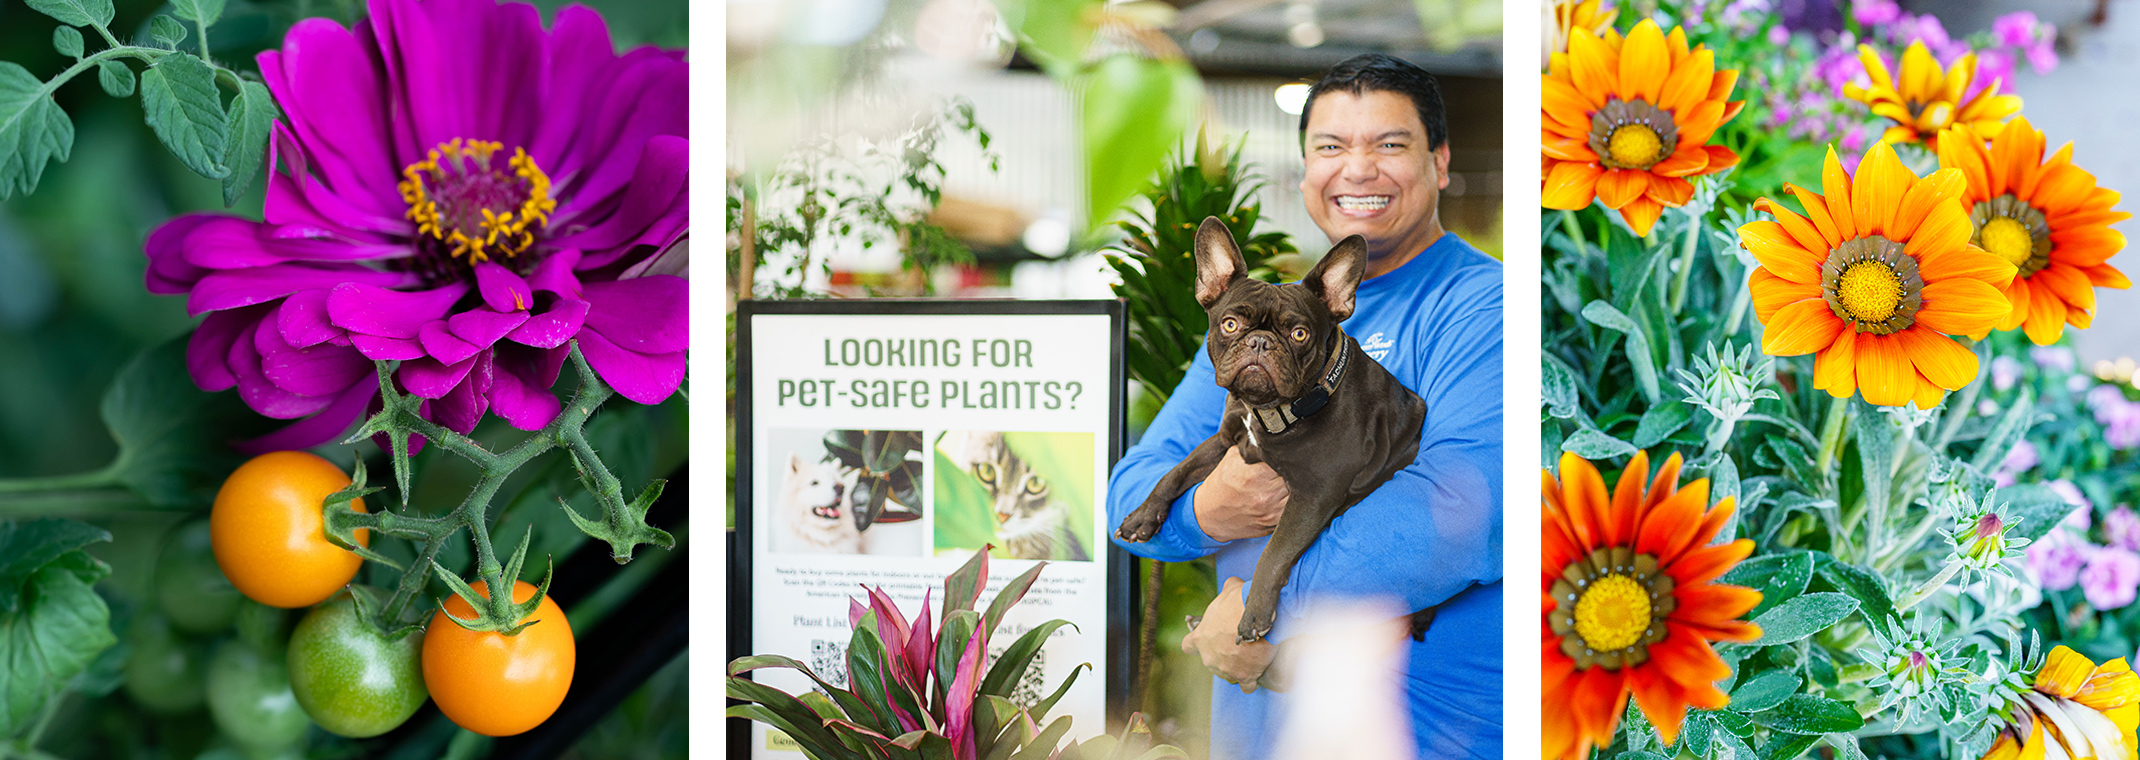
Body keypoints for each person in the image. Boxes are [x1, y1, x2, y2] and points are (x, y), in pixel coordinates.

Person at [1105, 53, 1502, 760]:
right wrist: (1208, 509)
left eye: (1390, 144)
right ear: (1304, 172)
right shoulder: (1255, 319)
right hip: (1255, 733)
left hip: (1424, 731)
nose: (1357, 169)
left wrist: (1263, 609)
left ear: (1440, 162)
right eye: (1330, 146)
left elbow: (1462, 514)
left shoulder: (1487, 305)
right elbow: (1129, 504)